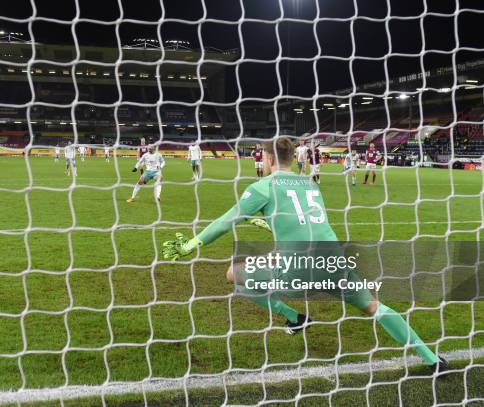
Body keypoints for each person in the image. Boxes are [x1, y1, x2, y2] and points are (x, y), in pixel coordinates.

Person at [162, 136, 448, 373]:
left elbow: (226, 221)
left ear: (270, 159)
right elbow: (307, 222)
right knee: (374, 306)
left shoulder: (262, 186)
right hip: (334, 259)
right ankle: (432, 359)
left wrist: (191, 245)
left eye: (262, 157)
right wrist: (268, 222)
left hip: (299, 268)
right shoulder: (310, 183)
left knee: (234, 274)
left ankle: (294, 317)